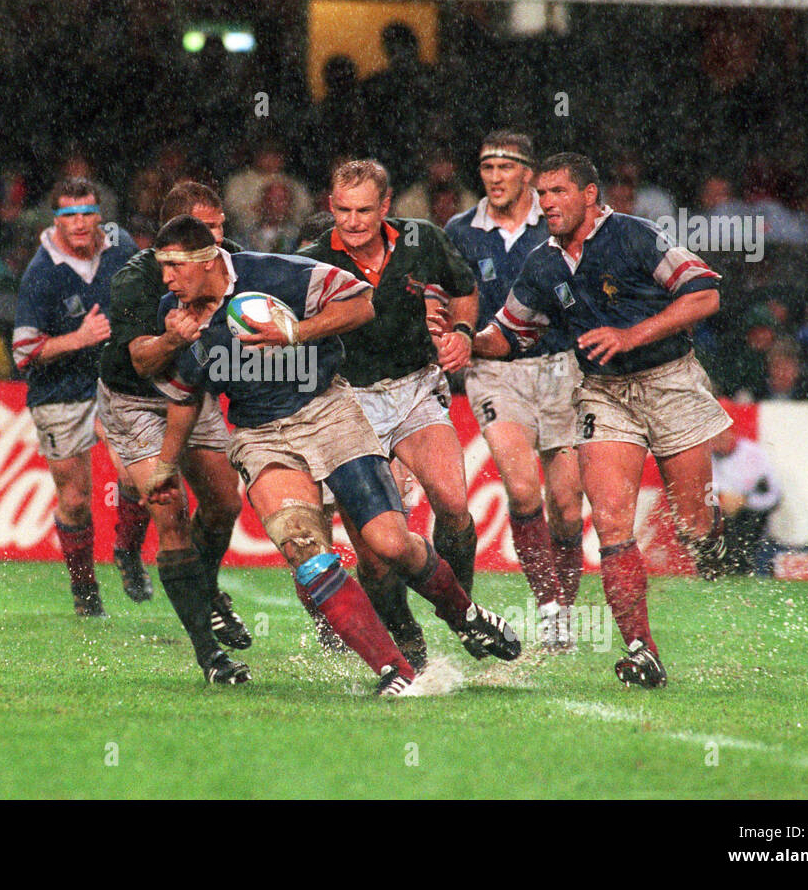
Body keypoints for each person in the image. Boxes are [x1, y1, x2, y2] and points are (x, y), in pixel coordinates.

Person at [146, 216, 520, 696]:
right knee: (307, 553)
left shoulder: (279, 272)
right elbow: (183, 395)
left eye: (174, 267)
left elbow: (364, 305)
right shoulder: (172, 312)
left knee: (390, 544)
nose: (167, 279)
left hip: (330, 412)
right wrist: (165, 462)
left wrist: (297, 332)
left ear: (207, 261)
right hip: (260, 435)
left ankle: (464, 614)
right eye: (162, 268)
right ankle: (394, 670)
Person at [471, 152, 730, 689]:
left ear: (590, 195)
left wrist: (630, 335)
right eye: (542, 195)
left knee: (694, 524)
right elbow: (511, 334)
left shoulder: (635, 236)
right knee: (611, 523)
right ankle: (642, 649)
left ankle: (717, 545)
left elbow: (705, 293)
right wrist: (463, 342)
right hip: (603, 394)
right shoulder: (542, 264)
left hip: (670, 382)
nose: (547, 204)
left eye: (558, 193)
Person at [301, 159, 483, 671]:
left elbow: (465, 289)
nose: (353, 221)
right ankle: (405, 636)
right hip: (349, 404)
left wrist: (463, 335)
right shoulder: (312, 262)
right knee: (378, 557)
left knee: (451, 503)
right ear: (329, 206)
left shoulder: (422, 239)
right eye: (343, 210)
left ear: (386, 207)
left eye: (364, 210)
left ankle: (462, 611)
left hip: (414, 388)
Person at [98, 182, 251, 684]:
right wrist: (170, 337)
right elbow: (139, 361)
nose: (220, 242)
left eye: (221, 229)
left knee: (226, 504)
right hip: (135, 399)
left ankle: (203, 592)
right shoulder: (134, 282)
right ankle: (210, 656)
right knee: (170, 512)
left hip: (192, 393)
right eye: (209, 231)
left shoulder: (231, 265)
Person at [445, 132, 584, 651]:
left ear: (529, 173)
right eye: (486, 168)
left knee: (568, 507)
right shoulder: (460, 231)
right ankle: (549, 608)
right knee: (523, 490)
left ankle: (563, 608)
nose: (495, 177)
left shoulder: (557, 225)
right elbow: (445, 296)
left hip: (561, 369)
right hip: (494, 369)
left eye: (506, 167)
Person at [13, 177, 148, 617]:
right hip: (59, 390)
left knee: (139, 477)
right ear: (54, 220)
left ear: (99, 215)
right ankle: (85, 589)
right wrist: (80, 337)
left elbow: (146, 289)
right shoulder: (40, 275)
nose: (80, 223)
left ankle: (127, 553)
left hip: (115, 380)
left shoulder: (120, 246)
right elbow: (24, 352)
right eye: (69, 215)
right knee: (74, 498)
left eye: (88, 212)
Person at [711, 427, 781, 576]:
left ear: (731, 433)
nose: (717, 442)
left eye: (721, 436)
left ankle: (744, 570)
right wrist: (721, 499)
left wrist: (744, 501)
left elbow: (774, 496)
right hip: (718, 512)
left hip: (748, 516)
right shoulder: (705, 456)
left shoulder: (754, 454)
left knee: (748, 524)